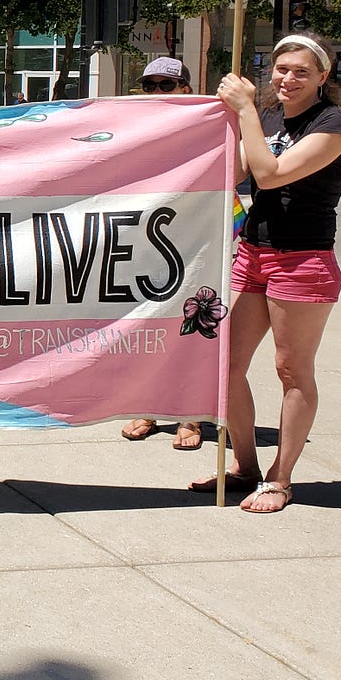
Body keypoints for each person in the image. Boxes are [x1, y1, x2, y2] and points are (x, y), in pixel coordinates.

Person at [190, 33, 341, 513]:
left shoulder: (334, 121)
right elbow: (238, 170)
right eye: (281, 69)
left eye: (302, 71)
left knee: (291, 370)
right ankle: (246, 467)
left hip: (303, 259)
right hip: (254, 252)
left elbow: (270, 174)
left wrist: (244, 111)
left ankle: (281, 479)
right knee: (226, 364)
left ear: (323, 77)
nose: (288, 79)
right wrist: (227, 120)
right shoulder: (269, 118)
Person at [120, 56, 204, 451]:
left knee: (194, 327)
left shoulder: (205, 122)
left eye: (165, 85)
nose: (156, 92)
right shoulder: (136, 124)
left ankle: (191, 416)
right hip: (147, 237)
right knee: (148, 323)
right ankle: (148, 408)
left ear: (185, 88)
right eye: (149, 85)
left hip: (196, 234)